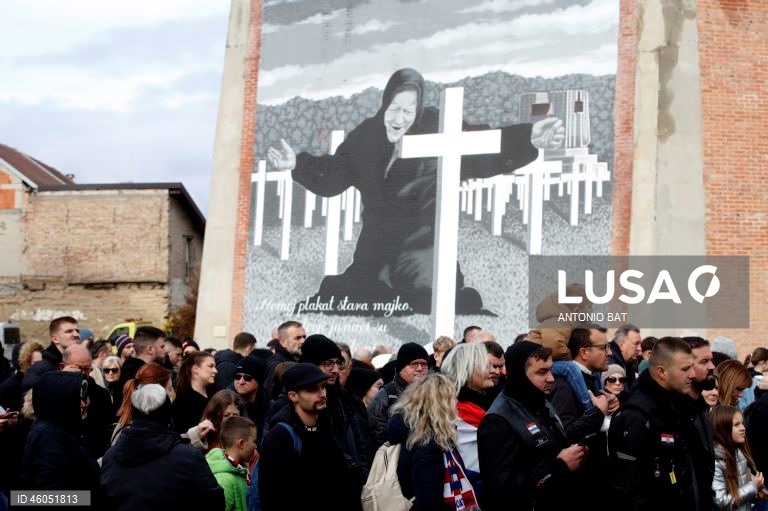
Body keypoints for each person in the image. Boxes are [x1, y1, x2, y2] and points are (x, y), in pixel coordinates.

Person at [268, 67, 564, 315]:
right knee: (357, 294)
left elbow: (481, 145)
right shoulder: (365, 138)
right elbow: (334, 176)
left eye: (408, 110)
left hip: (422, 248)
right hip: (377, 247)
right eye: (394, 109)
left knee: (430, 297)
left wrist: (529, 138)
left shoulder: (437, 127)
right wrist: (297, 164)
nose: (400, 118)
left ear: (419, 108)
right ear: (384, 105)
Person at [478, 341, 585, 511]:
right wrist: (559, 466)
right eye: (542, 372)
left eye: (550, 370)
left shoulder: (542, 402)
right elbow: (502, 489)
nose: (551, 378)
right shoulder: (498, 421)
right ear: (521, 374)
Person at [608, 337, 700, 510]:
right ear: (662, 372)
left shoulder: (676, 408)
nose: (692, 375)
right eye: (685, 369)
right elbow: (629, 490)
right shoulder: (636, 416)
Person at [101, 383, 225, 511]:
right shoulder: (188, 458)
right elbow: (215, 502)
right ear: (168, 414)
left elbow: (96, 500)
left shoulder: (110, 457)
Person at [258, 363, 361, 510]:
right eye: (312, 389)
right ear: (293, 396)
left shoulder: (324, 426)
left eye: (323, 386)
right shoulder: (280, 436)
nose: (321, 393)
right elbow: (271, 497)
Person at [388, 372, 479, 511]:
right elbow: (428, 500)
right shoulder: (428, 444)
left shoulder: (414, 433)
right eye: (452, 398)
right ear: (441, 404)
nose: (456, 404)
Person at [21, 371, 106, 506]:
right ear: (60, 401)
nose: (84, 405)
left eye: (85, 398)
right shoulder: (51, 437)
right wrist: (88, 499)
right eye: (77, 399)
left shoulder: (61, 429)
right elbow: (49, 496)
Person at [440, 343, 497, 502]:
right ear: (467, 370)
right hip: (474, 495)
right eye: (486, 366)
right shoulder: (462, 412)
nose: (493, 371)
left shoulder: (478, 405)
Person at [368, 342, 429, 446]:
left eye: (423, 364)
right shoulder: (386, 395)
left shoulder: (434, 394)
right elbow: (376, 433)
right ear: (401, 369)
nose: (419, 368)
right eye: (414, 364)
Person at [711, 405, 766, 511]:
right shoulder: (716, 461)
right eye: (736, 425)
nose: (743, 428)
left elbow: (740, 496)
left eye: (742, 423)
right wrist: (753, 487)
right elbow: (721, 503)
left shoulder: (739, 452)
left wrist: (756, 493)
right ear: (723, 428)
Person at [206, 415, 257, 511]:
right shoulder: (224, 481)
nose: (255, 446)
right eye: (254, 441)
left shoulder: (241, 471)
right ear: (241, 443)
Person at [21, 316, 81, 393]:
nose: (76, 335)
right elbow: (31, 396)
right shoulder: (40, 369)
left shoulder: (82, 364)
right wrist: (60, 377)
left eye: (77, 331)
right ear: (55, 339)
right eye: (69, 331)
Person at [172, 351, 217, 434]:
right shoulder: (182, 400)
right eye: (211, 366)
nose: (215, 371)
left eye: (215, 366)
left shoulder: (215, 394)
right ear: (196, 369)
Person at [231, 355, 269, 447]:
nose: (241, 381)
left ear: (259, 381)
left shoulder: (269, 406)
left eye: (247, 378)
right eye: (237, 377)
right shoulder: (227, 402)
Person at [0, 340, 44, 413]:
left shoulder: (44, 381)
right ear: (25, 362)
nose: (42, 366)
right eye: (36, 363)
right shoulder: (8, 388)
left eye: (43, 362)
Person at [607, 324, 642, 391]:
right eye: (636, 344)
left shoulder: (628, 363)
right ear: (621, 345)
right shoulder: (610, 364)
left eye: (640, 344)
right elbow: (624, 395)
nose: (639, 348)